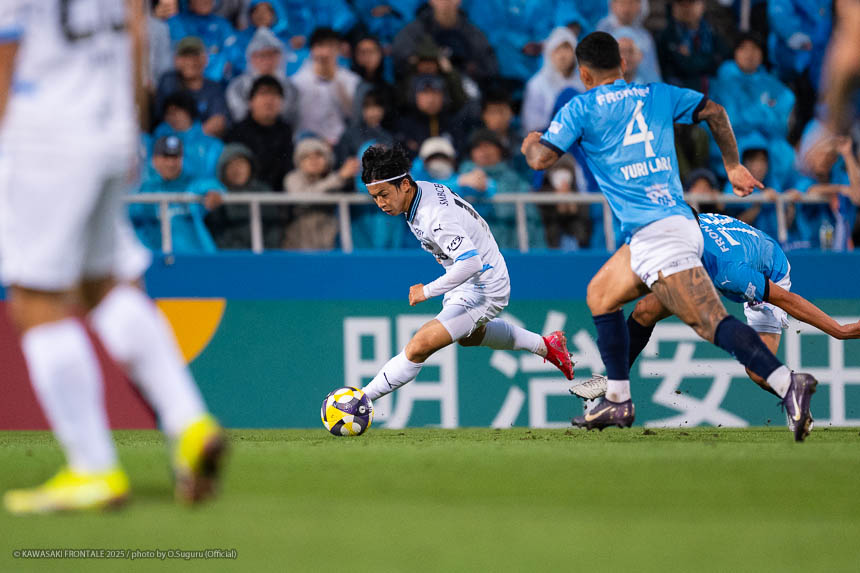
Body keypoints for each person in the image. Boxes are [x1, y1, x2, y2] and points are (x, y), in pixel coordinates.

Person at [521, 32, 818, 440]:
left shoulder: (581, 107)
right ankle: (618, 399)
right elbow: (715, 111)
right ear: (623, 65)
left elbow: (541, 160)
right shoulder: (656, 93)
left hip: (660, 233)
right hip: (669, 225)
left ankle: (788, 383)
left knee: (709, 321)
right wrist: (732, 166)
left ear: (584, 74)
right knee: (601, 295)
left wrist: (530, 144)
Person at [0, 0, 225, 514]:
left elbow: (5, 53)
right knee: (105, 285)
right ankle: (190, 423)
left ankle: (92, 466)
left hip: (42, 139)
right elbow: (136, 30)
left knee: (36, 300)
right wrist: (130, 131)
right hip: (107, 129)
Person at [571, 211, 860, 430]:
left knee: (758, 372)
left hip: (768, 268)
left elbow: (786, 299)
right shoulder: (681, 234)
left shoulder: (730, 271)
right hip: (717, 259)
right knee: (645, 310)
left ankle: (792, 389)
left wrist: (839, 330)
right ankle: (612, 381)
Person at [357, 144, 574, 407]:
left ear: (404, 184)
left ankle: (360, 400)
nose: (380, 203)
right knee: (469, 337)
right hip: (471, 278)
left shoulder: (434, 216)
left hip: (484, 285)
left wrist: (426, 291)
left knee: (419, 345)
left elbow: (471, 263)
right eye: (375, 197)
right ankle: (546, 346)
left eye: (383, 194)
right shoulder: (419, 191)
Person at [131, 136, 224, 254]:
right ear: (154, 160)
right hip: (157, 258)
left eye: (175, 157)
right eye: (165, 157)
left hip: (194, 256)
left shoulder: (189, 183)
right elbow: (128, 214)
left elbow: (207, 184)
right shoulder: (144, 188)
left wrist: (213, 191)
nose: (171, 163)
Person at [392, 0, 498, 86]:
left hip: (463, 91)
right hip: (424, 91)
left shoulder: (473, 34)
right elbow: (400, 61)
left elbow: (489, 68)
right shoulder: (414, 31)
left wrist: (467, 68)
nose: (446, 2)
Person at [283, 137, 359, 250]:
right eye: (306, 156)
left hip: (330, 243)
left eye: (318, 155)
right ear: (299, 161)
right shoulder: (292, 178)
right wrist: (339, 178)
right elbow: (303, 197)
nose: (313, 160)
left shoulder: (336, 180)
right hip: (297, 244)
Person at [292, 27, 361, 146]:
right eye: (320, 46)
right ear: (312, 49)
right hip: (306, 143)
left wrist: (335, 82)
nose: (325, 52)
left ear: (339, 49)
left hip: (340, 143)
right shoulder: (297, 81)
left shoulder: (352, 80)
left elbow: (354, 115)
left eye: (331, 46)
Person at [225, 75, 294, 190]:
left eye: (274, 94)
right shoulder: (237, 132)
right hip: (245, 193)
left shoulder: (286, 131)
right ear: (251, 101)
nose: (269, 100)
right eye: (263, 94)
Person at [154, 36, 230, 137]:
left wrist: (192, 136)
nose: (189, 62)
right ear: (176, 60)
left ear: (205, 60)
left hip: (202, 142)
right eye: (185, 57)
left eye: (195, 57)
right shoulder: (168, 81)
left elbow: (219, 121)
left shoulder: (213, 89)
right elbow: (165, 116)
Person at [225, 27, 298, 123]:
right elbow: (238, 115)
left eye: (271, 54)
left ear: (280, 57)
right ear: (251, 58)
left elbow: (291, 116)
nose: (266, 60)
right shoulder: (237, 86)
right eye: (261, 55)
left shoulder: (290, 87)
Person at [521, 27, 582, 134]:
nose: (562, 55)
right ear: (549, 53)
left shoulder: (583, 81)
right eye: (557, 50)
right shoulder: (537, 84)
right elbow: (531, 124)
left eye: (566, 49)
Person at [167, 0, 237, 82]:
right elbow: (182, 55)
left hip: (219, 83)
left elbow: (234, 56)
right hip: (184, 82)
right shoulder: (176, 22)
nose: (205, 1)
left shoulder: (222, 24)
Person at [597, 0, 661, 83]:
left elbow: (652, 73)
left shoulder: (645, 37)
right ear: (612, 4)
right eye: (622, 2)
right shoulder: (601, 32)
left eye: (631, 3)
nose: (627, 8)